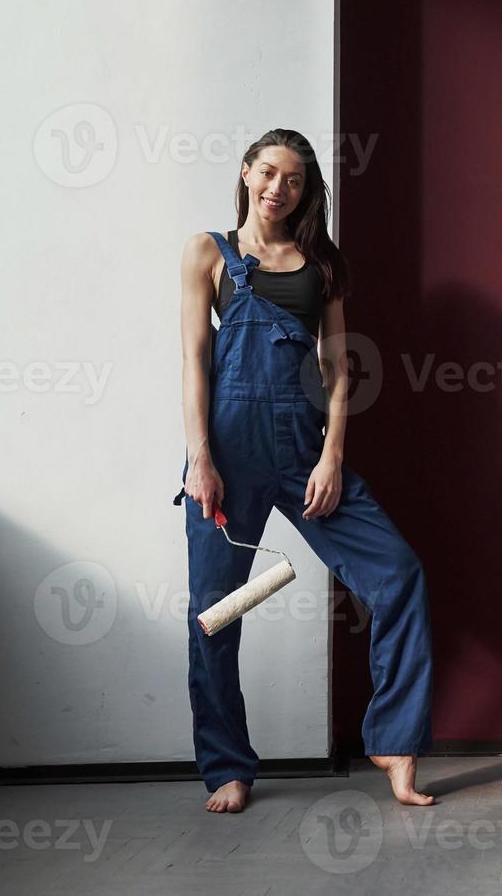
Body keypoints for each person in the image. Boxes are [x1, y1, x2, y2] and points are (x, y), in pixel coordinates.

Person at [175, 128, 434, 813]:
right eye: (267, 173)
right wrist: (200, 457)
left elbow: (335, 369)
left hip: (302, 445)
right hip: (225, 452)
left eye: (291, 179)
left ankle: (395, 744)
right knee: (214, 612)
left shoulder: (321, 264)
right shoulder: (209, 252)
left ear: (304, 190)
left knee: (398, 572)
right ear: (245, 173)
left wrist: (331, 455)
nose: (276, 188)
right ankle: (227, 766)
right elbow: (193, 362)